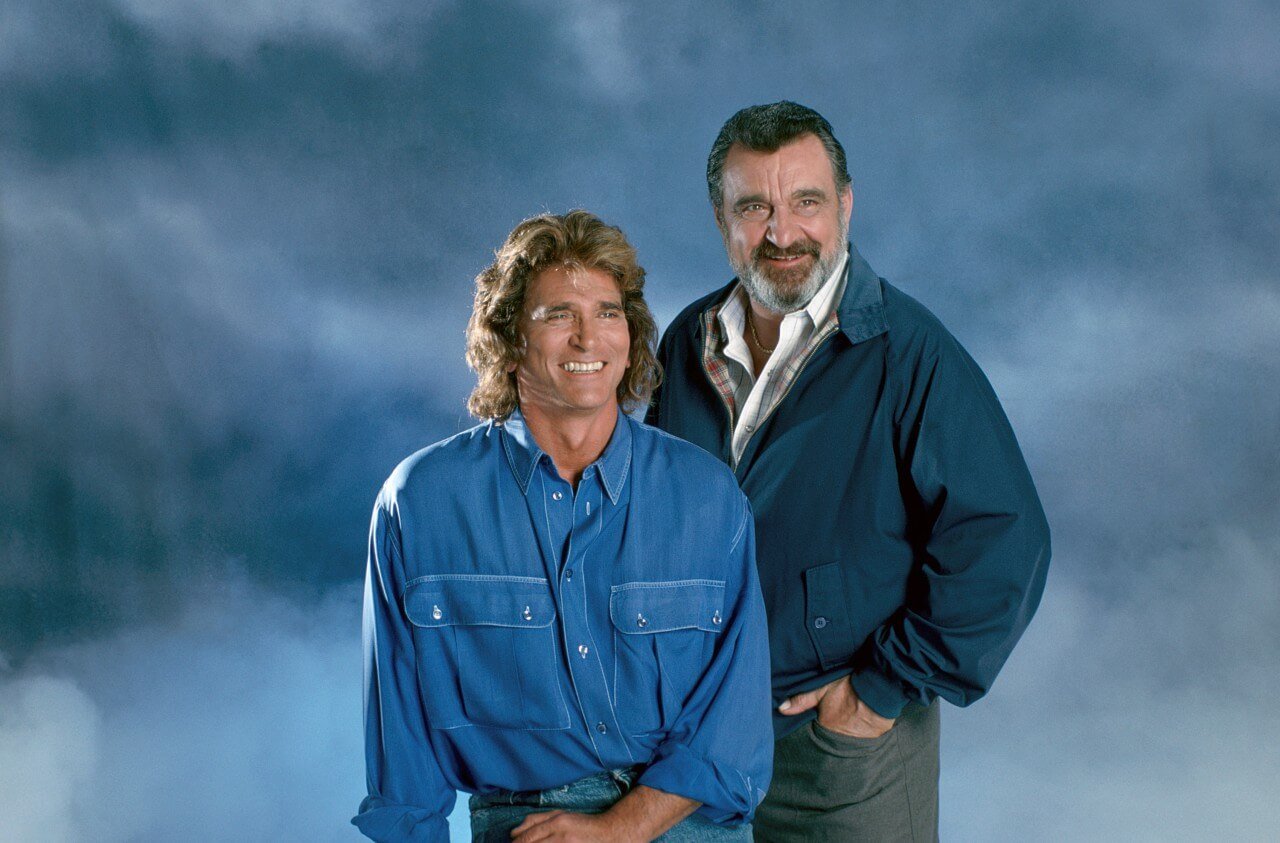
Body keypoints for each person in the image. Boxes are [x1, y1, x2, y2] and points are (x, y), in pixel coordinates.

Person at [647, 101, 1051, 841]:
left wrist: (877, 691)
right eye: (753, 207)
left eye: (806, 202)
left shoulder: (909, 353)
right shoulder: (685, 343)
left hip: (836, 757)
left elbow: (1006, 540)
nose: (782, 232)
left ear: (846, 205)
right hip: (693, 747)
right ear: (720, 218)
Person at [354, 210, 773, 843]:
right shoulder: (420, 505)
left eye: (608, 313)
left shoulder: (707, 498)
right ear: (509, 336)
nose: (588, 339)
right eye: (558, 315)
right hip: (525, 825)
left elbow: (735, 729)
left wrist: (617, 831)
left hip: (686, 821)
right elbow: (403, 760)